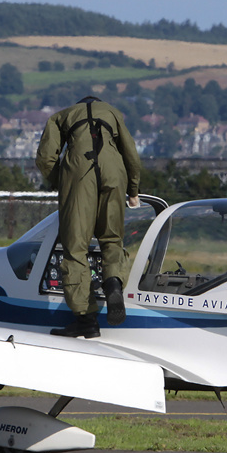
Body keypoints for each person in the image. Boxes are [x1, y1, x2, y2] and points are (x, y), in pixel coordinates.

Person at [35, 96, 141, 338]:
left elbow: (45, 158)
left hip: (79, 173)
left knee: (75, 249)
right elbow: (132, 155)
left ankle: (86, 320)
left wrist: (61, 182)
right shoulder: (113, 112)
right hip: (114, 172)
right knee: (112, 239)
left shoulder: (60, 116)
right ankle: (113, 284)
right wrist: (133, 191)